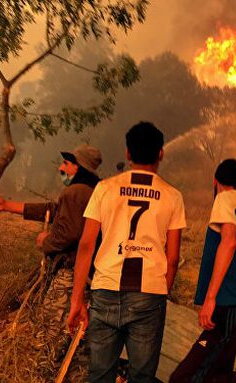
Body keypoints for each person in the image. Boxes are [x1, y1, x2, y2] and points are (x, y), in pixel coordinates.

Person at [66, 122, 186, 383]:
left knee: (99, 375)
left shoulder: (104, 189)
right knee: (142, 376)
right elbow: (173, 257)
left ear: (128, 154)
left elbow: (86, 245)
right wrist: (160, 292)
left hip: (105, 288)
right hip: (148, 294)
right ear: (161, 154)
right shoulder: (173, 196)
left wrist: (77, 299)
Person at [0, 144, 102, 342]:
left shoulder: (75, 192)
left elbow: (68, 234)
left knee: (52, 328)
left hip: (70, 274)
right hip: (89, 275)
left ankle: (48, 366)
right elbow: (53, 210)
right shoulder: (94, 192)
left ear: (79, 167)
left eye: (66, 163)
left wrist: (45, 241)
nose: (61, 168)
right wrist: (6, 205)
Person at [170, 158, 236, 383]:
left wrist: (210, 299)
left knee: (184, 378)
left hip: (228, 307)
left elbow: (229, 243)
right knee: (218, 374)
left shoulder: (224, 199)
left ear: (215, 181)